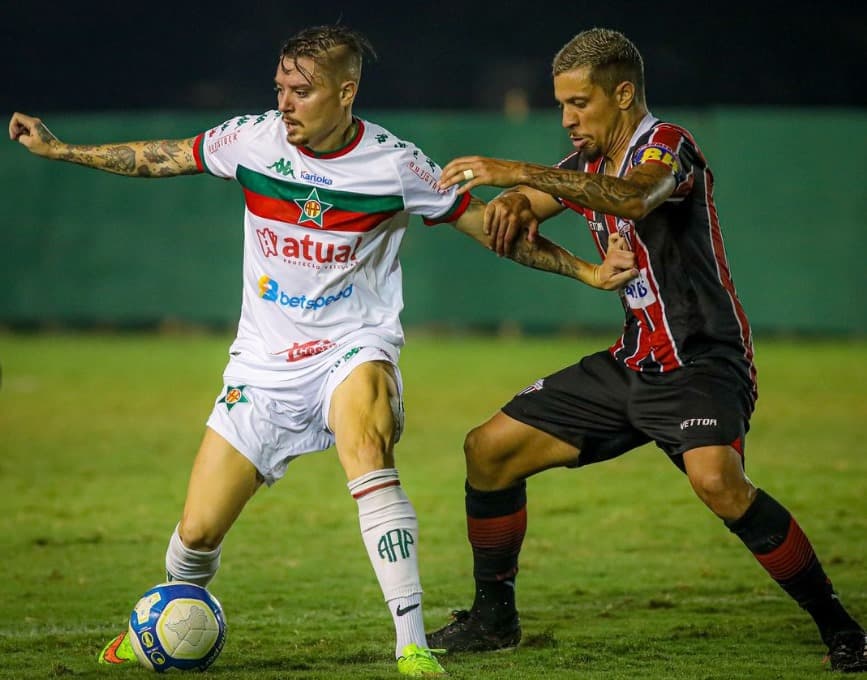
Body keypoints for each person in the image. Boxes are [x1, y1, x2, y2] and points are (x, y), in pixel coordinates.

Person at [8, 25, 639, 677]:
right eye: (280, 88)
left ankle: (413, 645)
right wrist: (62, 152)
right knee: (196, 534)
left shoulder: (394, 165)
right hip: (262, 365)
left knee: (365, 446)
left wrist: (587, 272)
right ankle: (162, 621)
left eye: (301, 91)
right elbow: (167, 154)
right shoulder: (250, 141)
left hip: (351, 347)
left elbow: (490, 230)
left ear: (345, 92)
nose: (285, 103)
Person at [426, 27, 867, 673]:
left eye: (580, 103)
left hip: (701, 362)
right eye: (561, 106)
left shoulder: (667, 147)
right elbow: (549, 196)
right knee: (488, 450)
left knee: (717, 481)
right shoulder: (585, 165)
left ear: (623, 93)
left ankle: (841, 627)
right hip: (632, 362)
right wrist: (518, 202)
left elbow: (634, 199)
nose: (568, 118)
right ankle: (494, 621)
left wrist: (513, 172)